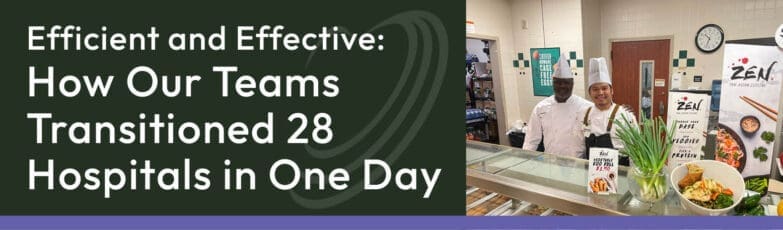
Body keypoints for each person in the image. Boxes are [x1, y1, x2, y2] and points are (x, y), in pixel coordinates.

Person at [523, 54, 592, 158]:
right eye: (558, 82)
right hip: (551, 162)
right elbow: (531, 140)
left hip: (577, 163)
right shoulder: (541, 108)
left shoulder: (587, 107)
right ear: (553, 83)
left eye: (566, 82)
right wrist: (525, 159)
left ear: (572, 84)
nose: (562, 86)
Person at [581, 57, 638, 166]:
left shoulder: (625, 114)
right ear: (590, 93)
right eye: (595, 89)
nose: (600, 93)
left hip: (620, 171)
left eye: (604, 88)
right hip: (593, 172)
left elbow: (636, 147)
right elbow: (581, 147)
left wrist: (633, 173)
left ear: (612, 90)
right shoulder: (584, 115)